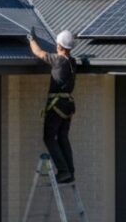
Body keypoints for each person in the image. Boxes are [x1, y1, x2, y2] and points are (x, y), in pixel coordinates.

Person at [28, 29, 77, 184]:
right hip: (68, 106)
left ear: (60, 46)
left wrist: (31, 39)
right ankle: (69, 172)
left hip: (56, 106)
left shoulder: (58, 60)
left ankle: (63, 171)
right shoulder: (72, 62)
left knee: (49, 137)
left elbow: (38, 52)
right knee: (62, 137)